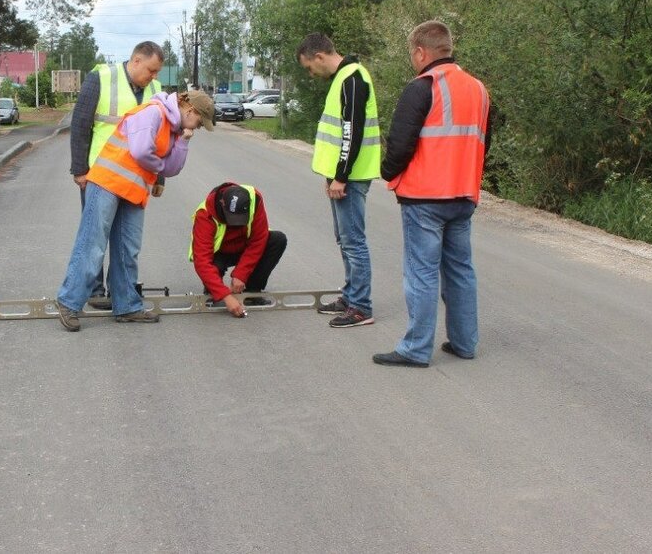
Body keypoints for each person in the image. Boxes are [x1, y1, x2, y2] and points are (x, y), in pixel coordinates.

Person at [373, 21, 493, 368]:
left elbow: (399, 143)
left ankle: (415, 348)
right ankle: (465, 342)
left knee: (421, 273)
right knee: (460, 270)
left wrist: (388, 172)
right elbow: (484, 142)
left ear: (421, 52)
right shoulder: (479, 90)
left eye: (413, 54)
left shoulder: (423, 86)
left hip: (425, 196)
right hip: (463, 194)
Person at [56, 90, 216, 331]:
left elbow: (172, 169)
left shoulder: (174, 129)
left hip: (133, 190)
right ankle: (68, 302)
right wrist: (159, 165)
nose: (199, 128)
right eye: (200, 123)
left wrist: (183, 141)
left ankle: (127, 306)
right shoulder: (153, 112)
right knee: (93, 244)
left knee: (127, 249)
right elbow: (141, 152)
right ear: (190, 110)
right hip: (107, 183)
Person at [69, 41, 166, 309]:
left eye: (157, 72)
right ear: (135, 61)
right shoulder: (101, 78)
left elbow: (161, 138)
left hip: (136, 179)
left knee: (126, 243)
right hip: (100, 175)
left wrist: (159, 178)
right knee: (95, 237)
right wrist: (79, 170)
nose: (154, 77)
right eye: (151, 70)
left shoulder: (156, 90)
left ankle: (120, 296)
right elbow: (80, 125)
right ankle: (94, 291)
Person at [297, 33, 381, 328]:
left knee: (354, 241)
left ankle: (361, 307)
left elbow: (351, 132)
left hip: (353, 177)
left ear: (319, 56)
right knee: (344, 239)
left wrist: (342, 176)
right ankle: (350, 296)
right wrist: (333, 175)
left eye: (309, 67)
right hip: (343, 177)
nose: (311, 73)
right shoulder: (344, 77)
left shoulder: (352, 78)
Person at [189, 182, 288, 318]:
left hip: (243, 247)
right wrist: (226, 296)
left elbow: (258, 240)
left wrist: (241, 275)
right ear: (222, 203)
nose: (236, 223)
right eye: (232, 219)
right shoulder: (205, 214)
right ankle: (213, 289)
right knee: (213, 271)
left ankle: (252, 291)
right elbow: (202, 261)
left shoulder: (254, 199)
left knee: (277, 239)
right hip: (220, 253)